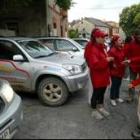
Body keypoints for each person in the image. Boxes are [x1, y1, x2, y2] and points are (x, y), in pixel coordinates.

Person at [85, 29, 114, 120]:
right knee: (96, 93)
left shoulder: (102, 47)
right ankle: (94, 110)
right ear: (96, 38)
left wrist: (108, 60)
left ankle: (101, 107)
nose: (104, 39)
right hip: (97, 76)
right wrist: (106, 60)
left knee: (102, 92)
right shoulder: (94, 50)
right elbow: (95, 65)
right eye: (102, 37)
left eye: (104, 37)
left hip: (104, 74)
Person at [123, 29, 140, 103]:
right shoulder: (132, 43)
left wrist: (130, 60)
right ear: (135, 36)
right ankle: (130, 96)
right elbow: (127, 53)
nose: (139, 39)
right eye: (138, 37)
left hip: (136, 64)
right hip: (133, 66)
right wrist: (127, 60)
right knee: (132, 82)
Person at [108, 35, 125, 106]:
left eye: (121, 40)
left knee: (118, 84)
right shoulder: (112, 50)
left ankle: (117, 97)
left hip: (120, 70)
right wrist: (113, 65)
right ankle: (112, 98)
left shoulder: (121, 48)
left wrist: (125, 62)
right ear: (115, 42)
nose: (121, 41)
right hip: (114, 71)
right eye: (119, 40)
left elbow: (122, 57)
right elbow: (109, 61)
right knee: (114, 85)